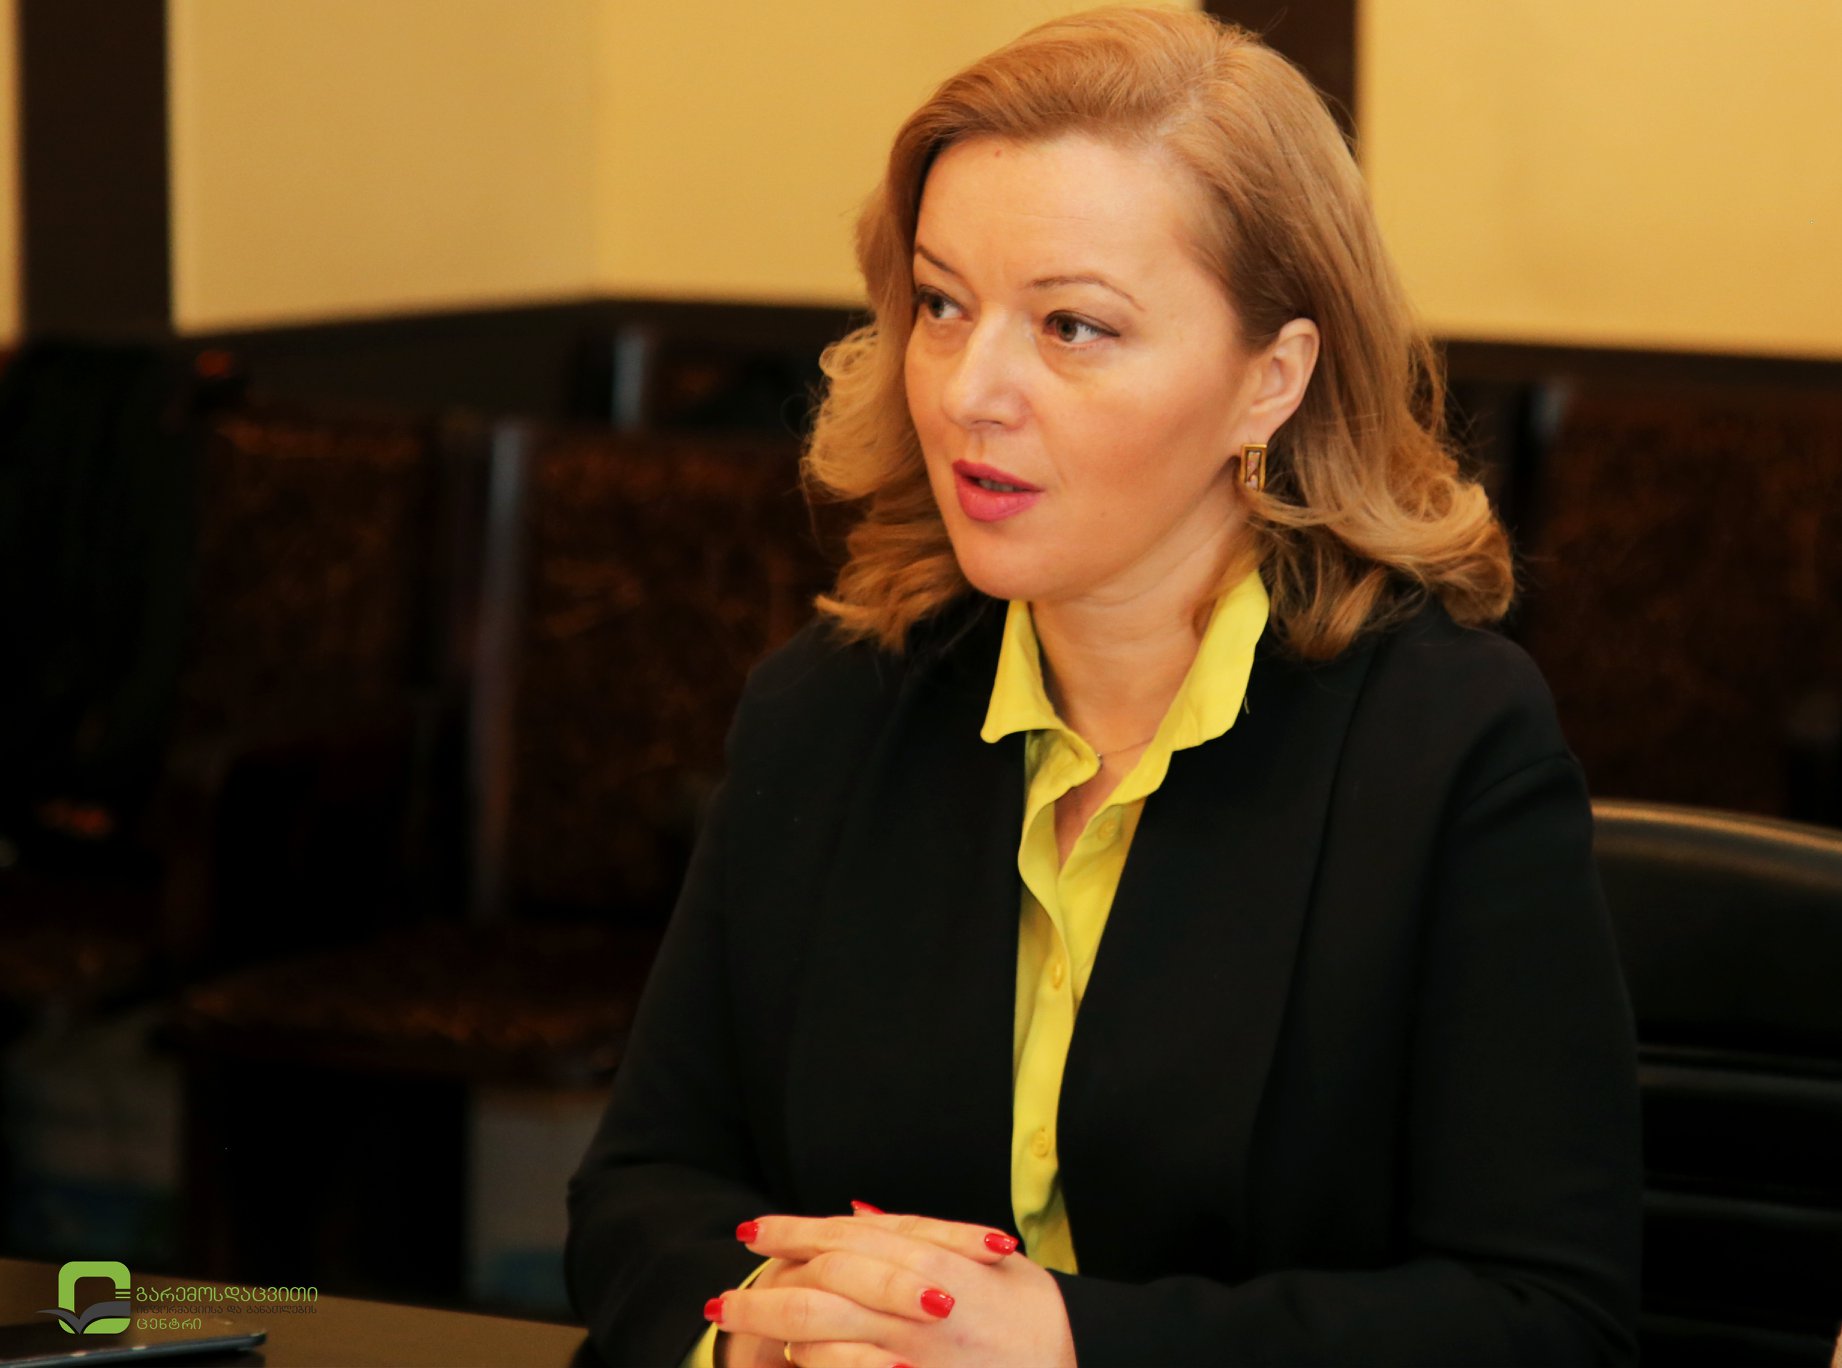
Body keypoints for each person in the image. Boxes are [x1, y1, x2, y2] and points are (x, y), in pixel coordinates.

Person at [565, 8, 1642, 1366]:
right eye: (942, 305)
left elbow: (1547, 1323)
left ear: (1269, 380)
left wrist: (1071, 1346)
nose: (970, 390)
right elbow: (640, 1197)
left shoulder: (1445, 745)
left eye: (1071, 326)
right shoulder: (831, 707)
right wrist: (769, 1335)